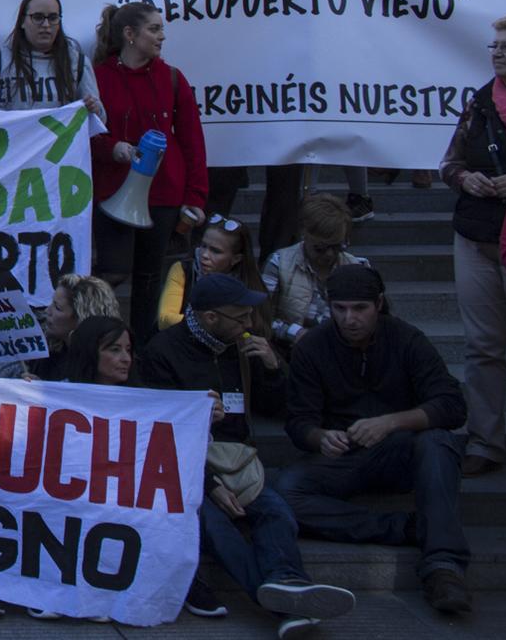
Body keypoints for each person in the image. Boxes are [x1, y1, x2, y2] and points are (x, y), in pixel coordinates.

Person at [139, 273, 356, 630]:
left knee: (277, 512)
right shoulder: (162, 352)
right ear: (211, 318)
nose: (250, 323)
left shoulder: (243, 347)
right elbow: (158, 434)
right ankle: (285, 605)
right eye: (241, 317)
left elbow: (279, 409)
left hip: (239, 462)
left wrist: (272, 369)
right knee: (217, 528)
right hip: (185, 468)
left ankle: (288, 582)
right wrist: (209, 484)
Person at [279, 267, 472, 615]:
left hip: (402, 450)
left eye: (359, 308)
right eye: (340, 309)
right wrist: (320, 437)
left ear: (379, 304)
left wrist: (391, 422)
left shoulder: (406, 339)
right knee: (285, 492)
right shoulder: (314, 348)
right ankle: (407, 528)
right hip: (347, 456)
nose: (349, 319)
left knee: (439, 442)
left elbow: (452, 405)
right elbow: (298, 421)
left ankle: (444, 568)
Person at [90, 2, 207, 337]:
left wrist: (196, 197)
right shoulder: (99, 78)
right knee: (112, 271)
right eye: (154, 29)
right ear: (129, 34)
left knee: (150, 279)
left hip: (164, 195)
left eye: (161, 29)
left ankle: (142, 349)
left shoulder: (172, 78)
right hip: (113, 191)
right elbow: (88, 134)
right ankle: (98, 337)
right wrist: (114, 148)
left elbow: (192, 142)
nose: (162, 36)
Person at [442, 16, 506, 477]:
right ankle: (486, 440)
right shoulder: (478, 103)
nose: (498, 52)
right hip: (476, 235)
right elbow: (448, 164)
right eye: (494, 45)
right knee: (483, 345)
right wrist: (468, 178)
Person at [261, 194, 368, 350]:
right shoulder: (279, 263)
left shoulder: (358, 267)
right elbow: (260, 317)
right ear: (305, 234)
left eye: (338, 247)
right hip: (292, 351)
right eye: (320, 248)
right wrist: (294, 333)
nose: (330, 254)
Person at [0, 0, 102, 112]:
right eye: (38, 17)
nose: (46, 25)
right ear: (22, 22)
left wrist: (94, 109)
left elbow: (100, 118)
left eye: (53, 18)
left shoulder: (78, 63)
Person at [156, 215, 268, 331]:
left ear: (236, 259)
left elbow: (257, 326)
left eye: (215, 251)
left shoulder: (247, 281)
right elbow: (166, 320)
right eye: (203, 246)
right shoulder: (183, 269)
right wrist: (218, 324)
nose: (204, 255)